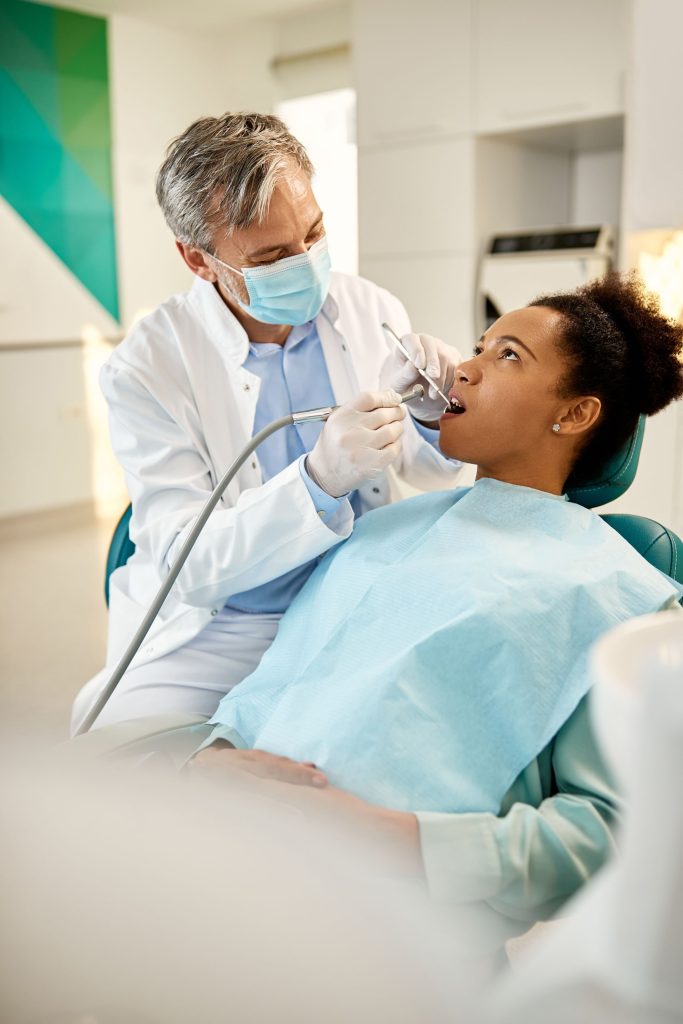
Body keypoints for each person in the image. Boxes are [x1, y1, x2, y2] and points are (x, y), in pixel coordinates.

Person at [190, 272, 683, 951]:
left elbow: (605, 831)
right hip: (235, 863)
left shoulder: (612, 591)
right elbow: (280, 679)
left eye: (507, 355)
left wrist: (391, 840)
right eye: (478, 346)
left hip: (390, 933)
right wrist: (213, 755)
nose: (463, 369)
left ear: (572, 415)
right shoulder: (382, 530)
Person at [71, 113, 465, 733]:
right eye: (275, 255)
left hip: (355, 594)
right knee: (121, 747)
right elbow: (188, 564)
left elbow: (434, 468)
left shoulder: (369, 308)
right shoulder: (148, 366)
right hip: (226, 624)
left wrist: (434, 410)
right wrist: (317, 480)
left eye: (314, 233)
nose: (308, 262)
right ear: (198, 260)